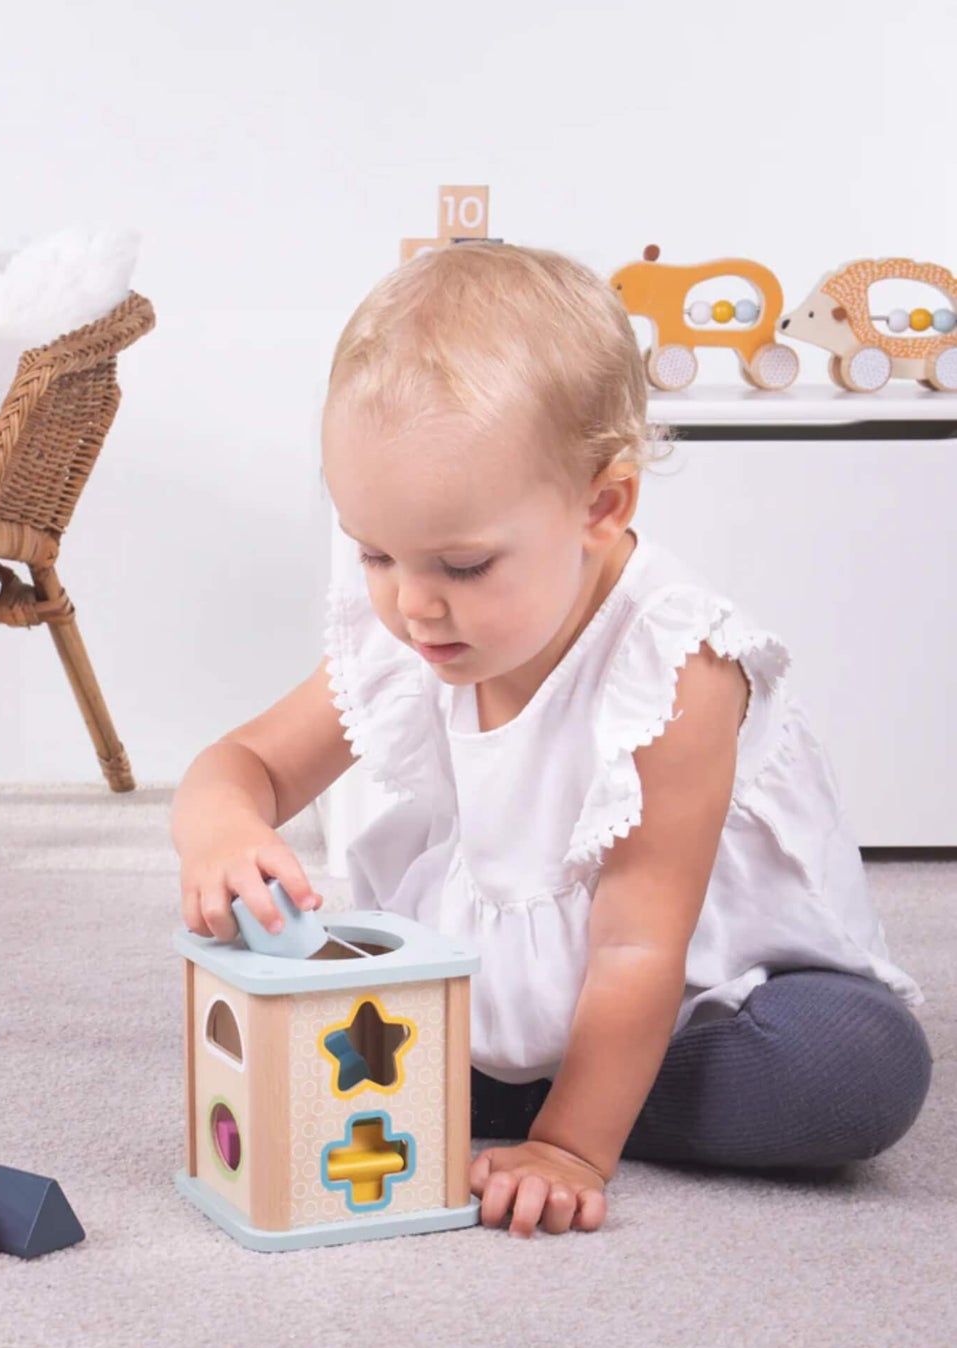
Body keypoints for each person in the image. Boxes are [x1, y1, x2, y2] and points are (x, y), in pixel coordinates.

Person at [170, 242, 931, 1238]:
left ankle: (541, 1092)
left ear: (601, 507)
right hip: (520, 976)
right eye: (372, 551)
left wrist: (570, 1145)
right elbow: (244, 763)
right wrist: (220, 830)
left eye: (462, 561)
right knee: (293, 999)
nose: (409, 602)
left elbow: (635, 942)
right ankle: (497, 1069)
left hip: (700, 986)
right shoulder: (414, 624)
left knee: (853, 1068)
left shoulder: (674, 669)